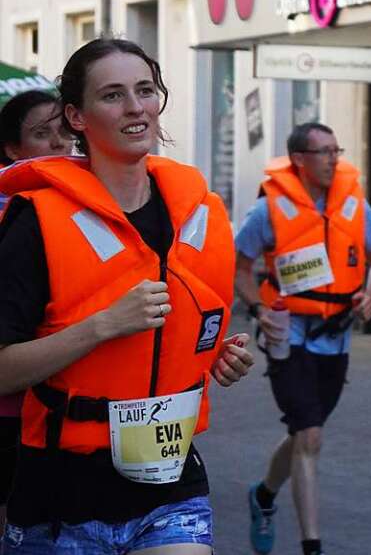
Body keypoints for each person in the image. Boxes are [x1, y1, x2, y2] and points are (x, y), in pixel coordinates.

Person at [0, 38, 253, 554]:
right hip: (61, 498)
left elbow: (190, 334)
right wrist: (103, 325)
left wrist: (219, 355)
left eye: (145, 90)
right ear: (77, 116)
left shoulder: (198, 212)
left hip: (171, 485)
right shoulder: (35, 223)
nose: (135, 107)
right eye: (112, 95)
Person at [234, 122, 371, 555]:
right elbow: (239, 266)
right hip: (289, 334)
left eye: (336, 150)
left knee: (306, 433)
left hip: (336, 337)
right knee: (311, 436)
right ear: (299, 160)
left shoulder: (356, 205)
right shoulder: (268, 211)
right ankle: (312, 546)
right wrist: (260, 309)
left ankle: (263, 495)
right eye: (323, 152)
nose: (333, 159)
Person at [0, 89, 73, 533]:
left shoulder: (92, 201)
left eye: (65, 131)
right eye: (43, 134)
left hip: (64, 397)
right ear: (12, 149)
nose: (59, 143)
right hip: (11, 404)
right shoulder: (11, 208)